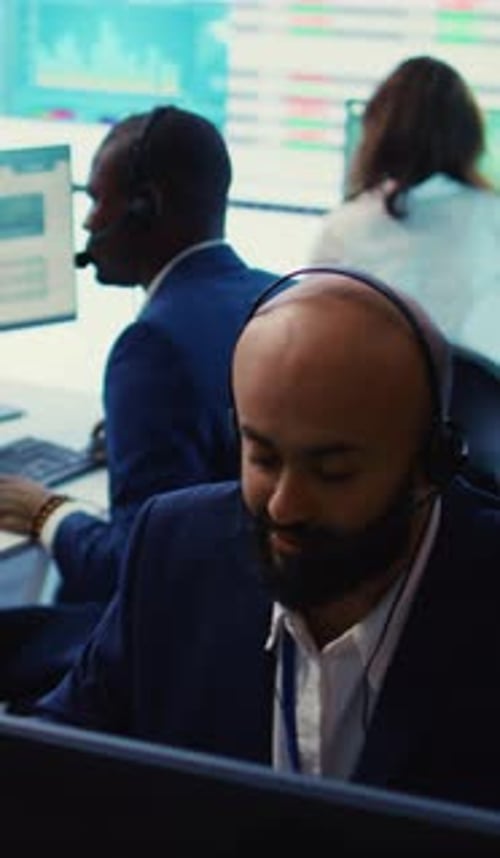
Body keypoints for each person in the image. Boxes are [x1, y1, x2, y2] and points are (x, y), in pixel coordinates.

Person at [32, 266, 500, 811]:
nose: (284, 505)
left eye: (332, 472)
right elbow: (54, 760)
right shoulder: (176, 546)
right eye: (263, 457)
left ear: (431, 466)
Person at [0, 105, 280, 605]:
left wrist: (47, 512)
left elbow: (135, 569)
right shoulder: (275, 296)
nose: (87, 221)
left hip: (181, 642)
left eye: (96, 199)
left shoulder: (153, 349)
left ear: (143, 207)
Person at [308, 55, 500, 355]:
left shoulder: (344, 226)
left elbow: (313, 332)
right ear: (470, 134)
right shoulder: (492, 218)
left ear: (376, 132)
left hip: (372, 395)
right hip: (482, 399)